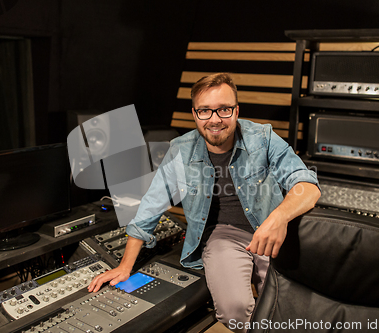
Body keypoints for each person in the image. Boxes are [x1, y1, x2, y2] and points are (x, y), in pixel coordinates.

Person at [88, 73, 321, 332]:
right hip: (224, 236)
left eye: (224, 109)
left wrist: (279, 218)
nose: (215, 119)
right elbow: (151, 205)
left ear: (236, 110)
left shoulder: (263, 137)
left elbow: (307, 186)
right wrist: (125, 266)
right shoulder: (180, 149)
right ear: (194, 113)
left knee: (290, 305)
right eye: (205, 111)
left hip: (271, 229)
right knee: (233, 310)